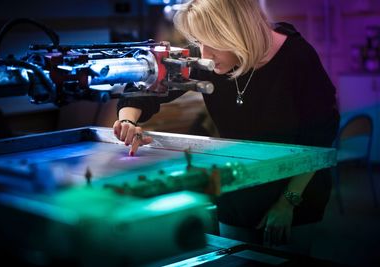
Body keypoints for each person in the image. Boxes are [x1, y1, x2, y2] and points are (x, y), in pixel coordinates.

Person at [113, 0, 340, 253]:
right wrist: (127, 121)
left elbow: (319, 138)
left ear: (237, 33)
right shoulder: (206, 56)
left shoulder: (298, 57)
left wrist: (287, 203)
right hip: (238, 186)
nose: (204, 55)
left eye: (211, 44)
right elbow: (146, 88)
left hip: (296, 190)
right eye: (199, 42)